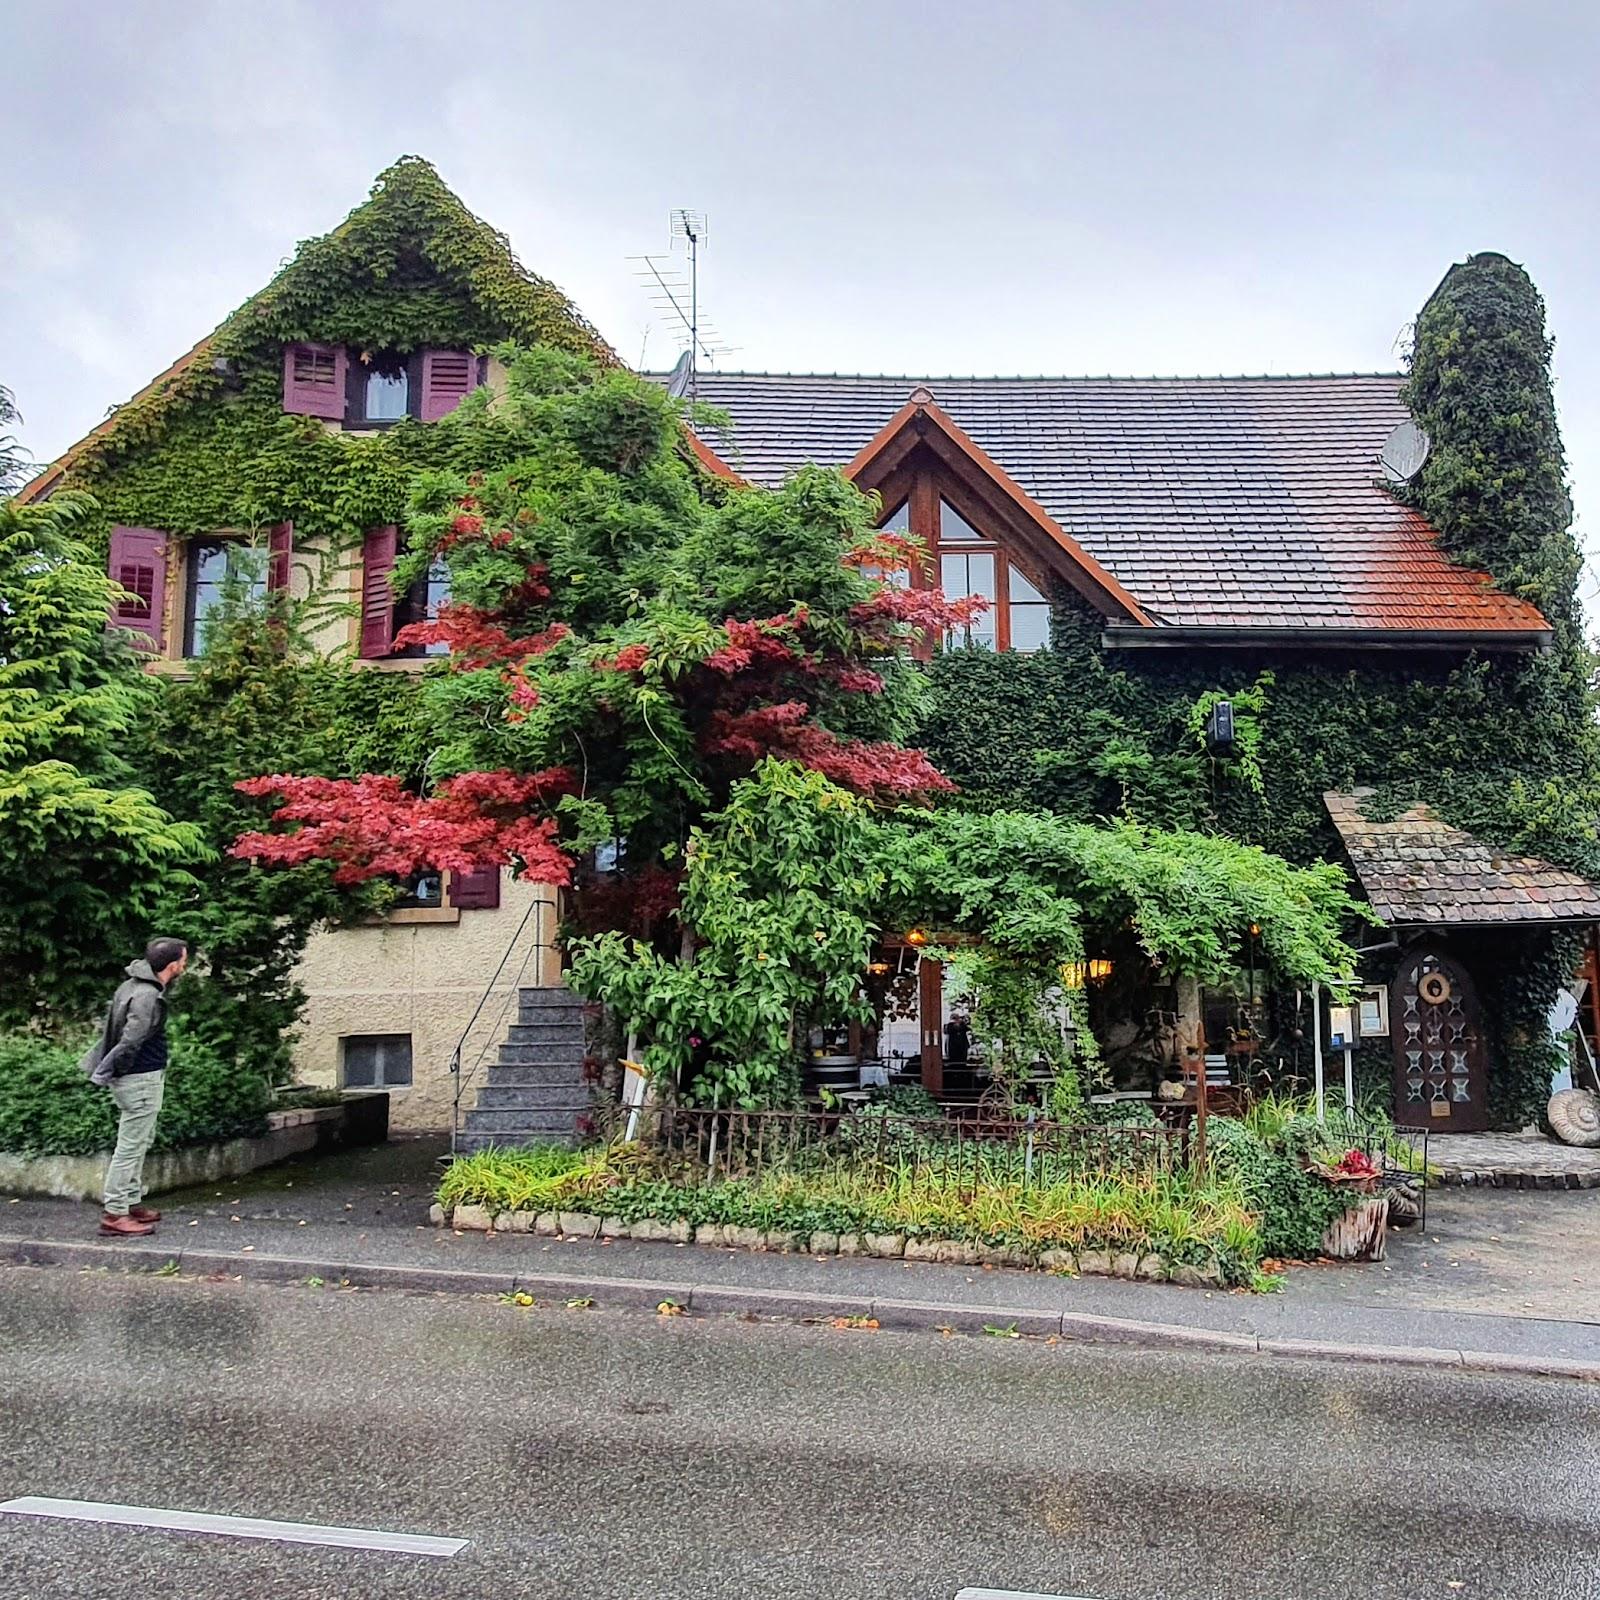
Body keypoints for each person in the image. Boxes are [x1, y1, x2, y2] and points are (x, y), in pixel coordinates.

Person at [79, 937, 188, 1238]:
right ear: (172, 965)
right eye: (183, 960)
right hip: (139, 1079)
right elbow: (130, 1041)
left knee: (140, 1140)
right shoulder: (145, 996)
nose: (185, 965)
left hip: (141, 1077)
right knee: (130, 1146)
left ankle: (129, 1202)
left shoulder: (136, 985)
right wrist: (114, 1071)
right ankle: (115, 1213)